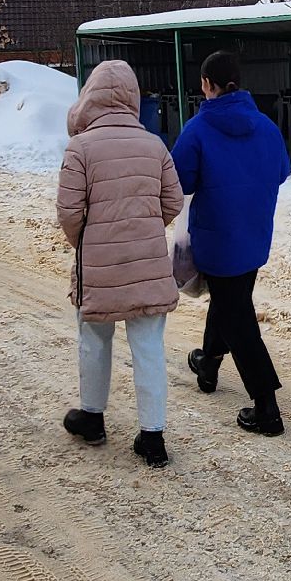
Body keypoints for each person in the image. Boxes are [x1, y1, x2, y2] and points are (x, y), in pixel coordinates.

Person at [57, 60, 184, 468]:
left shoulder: (80, 147)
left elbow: (68, 211)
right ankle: (153, 437)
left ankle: (92, 418)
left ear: (89, 97)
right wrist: (145, 229)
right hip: (148, 266)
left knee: (94, 340)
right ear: (133, 98)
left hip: (100, 266)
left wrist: (89, 242)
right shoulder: (154, 145)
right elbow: (173, 201)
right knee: (149, 348)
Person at [172, 51, 291, 436]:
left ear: (207, 84)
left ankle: (267, 407)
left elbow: (179, 182)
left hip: (217, 239)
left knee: (237, 318)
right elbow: (282, 171)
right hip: (254, 235)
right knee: (231, 302)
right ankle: (208, 362)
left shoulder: (197, 130)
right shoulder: (266, 126)